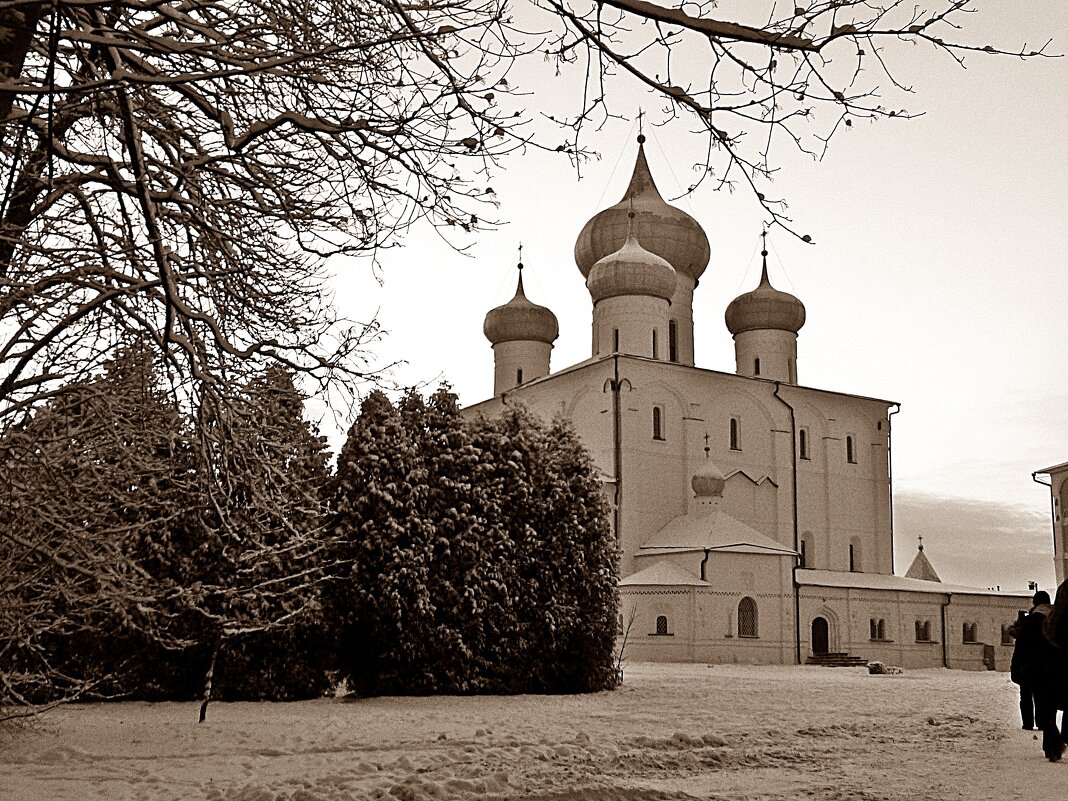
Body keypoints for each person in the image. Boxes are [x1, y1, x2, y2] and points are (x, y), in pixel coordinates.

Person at [1037, 579, 1068, 762]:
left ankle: (1053, 745)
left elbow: (1050, 629)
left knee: (1049, 705)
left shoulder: (1052, 620)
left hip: (1053, 661)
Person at [1010, 596, 1045, 730]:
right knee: (1042, 696)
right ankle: (1042, 722)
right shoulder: (1053, 619)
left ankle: (1028, 723)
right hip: (1045, 666)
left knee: (1025, 696)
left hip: (1027, 667)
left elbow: (1020, 648)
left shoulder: (1027, 623)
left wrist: (1015, 668)